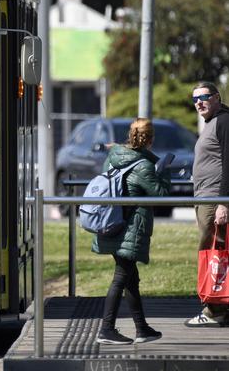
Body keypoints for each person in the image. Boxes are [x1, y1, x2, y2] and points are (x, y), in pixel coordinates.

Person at [94, 118, 170, 345]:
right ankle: (106, 329)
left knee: (130, 279)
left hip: (110, 223)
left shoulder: (113, 158)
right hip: (130, 228)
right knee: (121, 277)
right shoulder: (144, 165)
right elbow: (161, 195)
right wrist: (164, 172)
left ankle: (142, 328)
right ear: (151, 139)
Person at [185, 81, 229, 327]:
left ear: (217, 97)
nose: (199, 102)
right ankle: (221, 306)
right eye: (195, 99)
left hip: (215, 200)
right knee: (217, 253)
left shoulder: (223, 120)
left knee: (213, 254)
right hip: (207, 198)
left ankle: (215, 310)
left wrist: (224, 202)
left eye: (204, 96)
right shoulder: (214, 121)